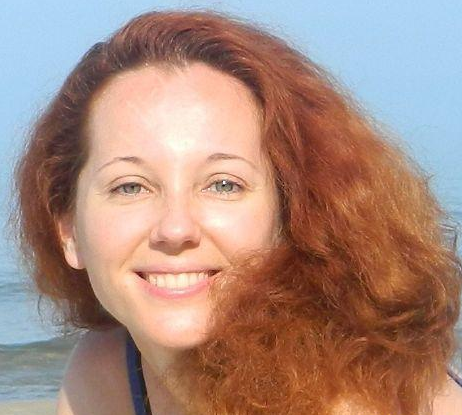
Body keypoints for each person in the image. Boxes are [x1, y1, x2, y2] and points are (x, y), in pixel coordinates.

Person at [12, 10, 462, 415]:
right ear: (69, 230)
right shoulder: (106, 371)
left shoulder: (357, 400)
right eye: (130, 186)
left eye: (223, 184)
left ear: (292, 214)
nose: (175, 228)